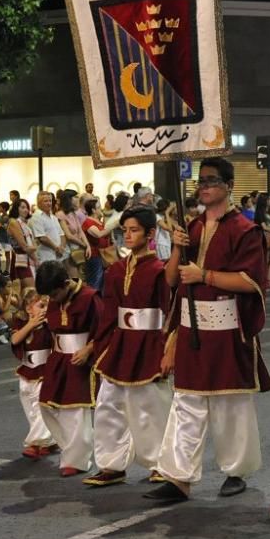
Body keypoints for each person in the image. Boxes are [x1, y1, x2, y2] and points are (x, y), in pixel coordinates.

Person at [145, 157, 270, 503]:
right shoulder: (192, 227)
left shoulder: (246, 231)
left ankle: (236, 470)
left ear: (229, 186)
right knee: (186, 401)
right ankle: (178, 477)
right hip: (190, 325)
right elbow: (172, 279)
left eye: (211, 181)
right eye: (200, 181)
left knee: (231, 404)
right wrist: (176, 247)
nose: (203, 187)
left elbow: (252, 282)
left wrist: (205, 276)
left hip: (228, 327)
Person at [84, 206, 173, 487]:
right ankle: (111, 464)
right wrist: (101, 346)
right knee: (108, 403)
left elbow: (170, 312)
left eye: (134, 230)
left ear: (150, 234)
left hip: (149, 343)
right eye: (125, 230)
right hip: (119, 344)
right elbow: (109, 312)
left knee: (150, 406)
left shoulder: (160, 270)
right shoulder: (116, 270)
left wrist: (166, 349)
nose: (128, 235)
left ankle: (161, 463)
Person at [35, 259, 103, 477]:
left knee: (75, 411)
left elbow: (105, 330)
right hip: (58, 358)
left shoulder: (90, 297)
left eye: (54, 295)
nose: (51, 300)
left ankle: (78, 460)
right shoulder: (54, 298)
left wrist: (89, 350)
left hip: (81, 359)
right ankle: (70, 448)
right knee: (46, 405)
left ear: (65, 284)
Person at [10, 288, 57, 457]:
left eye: (47, 306)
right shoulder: (20, 322)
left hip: (45, 369)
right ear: (29, 308)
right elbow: (15, 340)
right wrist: (31, 324)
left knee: (40, 406)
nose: (44, 309)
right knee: (30, 407)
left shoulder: (49, 324)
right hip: (27, 369)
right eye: (41, 305)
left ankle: (34, 443)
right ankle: (49, 441)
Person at [57, 189, 88, 279]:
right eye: (75, 197)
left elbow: (80, 230)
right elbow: (68, 235)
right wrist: (83, 244)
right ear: (69, 199)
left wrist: (87, 245)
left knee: (82, 277)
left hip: (78, 248)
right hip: (69, 251)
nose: (78, 199)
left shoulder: (73, 213)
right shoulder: (60, 214)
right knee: (74, 278)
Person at [29, 191, 66, 266]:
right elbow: (42, 238)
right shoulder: (36, 217)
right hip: (45, 257)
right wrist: (56, 248)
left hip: (57, 256)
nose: (49, 203)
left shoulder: (53, 217)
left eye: (50, 201)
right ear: (39, 203)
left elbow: (62, 234)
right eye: (45, 201)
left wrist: (62, 247)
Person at [9, 198, 38, 290]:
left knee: (26, 291)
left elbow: (31, 244)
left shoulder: (25, 224)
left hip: (29, 259)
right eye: (22, 207)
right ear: (16, 208)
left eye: (27, 208)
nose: (26, 210)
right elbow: (24, 247)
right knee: (30, 290)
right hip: (21, 259)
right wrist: (36, 246)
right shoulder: (14, 222)